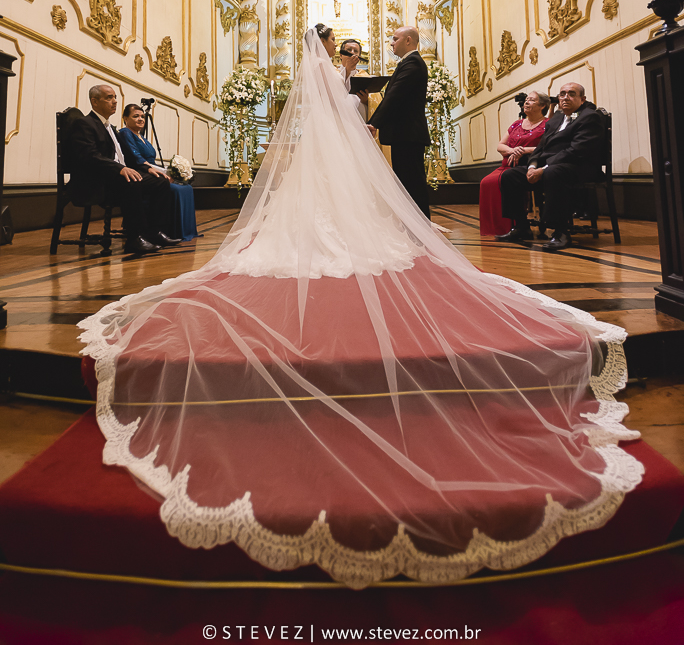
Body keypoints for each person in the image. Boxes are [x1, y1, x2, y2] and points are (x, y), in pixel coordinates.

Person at [79, 33, 642, 589]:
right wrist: (355, 91)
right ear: (327, 51)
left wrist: (356, 91)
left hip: (345, 153)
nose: (343, 52)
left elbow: (357, 108)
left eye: (344, 49)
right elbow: (350, 110)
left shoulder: (348, 80)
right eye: (336, 46)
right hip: (340, 154)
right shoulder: (336, 80)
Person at [67, 85, 181, 255]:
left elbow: (127, 157)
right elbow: (89, 156)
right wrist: (119, 169)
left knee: (160, 182)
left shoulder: (110, 128)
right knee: (132, 181)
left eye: (115, 97)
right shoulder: (84, 123)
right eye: (109, 98)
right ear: (94, 101)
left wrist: (146, 169)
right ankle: (134, 238)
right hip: (96, 180)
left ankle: (154, 232)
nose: (114, 102)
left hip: (113, 177)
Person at [499, 82, 603, 252]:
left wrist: (544, 169)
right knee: (510, 176)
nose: (565, 98)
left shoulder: (589, 116)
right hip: (552, 166)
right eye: (562, 94)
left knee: (553, 173)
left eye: (571, 94)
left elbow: (576, 150)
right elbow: (541, 148)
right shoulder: (556, 119)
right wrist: (532, 166)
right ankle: (521, 226)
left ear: (582, 99)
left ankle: (560, 232)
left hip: (579, 167)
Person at [367, 26, 431, 220]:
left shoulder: (413, 63)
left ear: (408, 40)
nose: (392, 43)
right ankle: (414, 229)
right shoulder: (409, 63)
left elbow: (394, 96)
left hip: (408, 135)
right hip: (405, 135)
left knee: (412, 185)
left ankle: (421, 230)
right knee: (406, 184)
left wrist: (374, 123)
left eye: (395, 39)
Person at [118, 104, 198, 242]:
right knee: (173, 188)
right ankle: (161, 231)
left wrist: (168, 172)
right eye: (135, 116)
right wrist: (162, 173)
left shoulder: (141, 136)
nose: (141, 119)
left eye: (142, 116)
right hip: (140, 172)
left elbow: (152, 162)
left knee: (186, 188)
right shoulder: (125, 133)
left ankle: (176, 231)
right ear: (125, 118)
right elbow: (136, 157)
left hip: (152, 171)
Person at [479, 91, 549, 237]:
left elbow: (549, 148)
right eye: (526, 100)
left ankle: (515, 226)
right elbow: (500, 146)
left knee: (503, 179)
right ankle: (496, 228)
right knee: (486, 182)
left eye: (531, 100)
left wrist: (524, 150)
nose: (526, 102)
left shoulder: (547, 125)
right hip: (507, 165)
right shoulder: (517, 124)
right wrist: (512, 150)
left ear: (542, 105)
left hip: (529, 165)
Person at [337, 36, 369, 121]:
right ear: (341, 55)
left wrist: (366, 101)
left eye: (355, 51)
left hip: (359, 119)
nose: (352, 53)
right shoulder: (332, 72)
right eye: (349, 50)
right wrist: (347, 70)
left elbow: (373, 101)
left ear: (359, 56)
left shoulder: (364, 75)